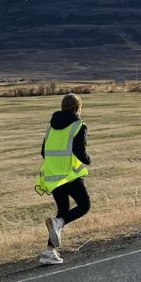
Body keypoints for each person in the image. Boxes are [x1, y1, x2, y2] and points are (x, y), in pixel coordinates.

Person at [35, 93, 91, 265]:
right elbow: (80, 152)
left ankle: (49, 252)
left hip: (53, 177)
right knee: (84, 205)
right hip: (70, 174)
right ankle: (58, 225)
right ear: (78, 107)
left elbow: (44, 151)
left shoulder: (51, 127)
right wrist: (88, 160)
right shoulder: (78, 125)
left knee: (62, 212)